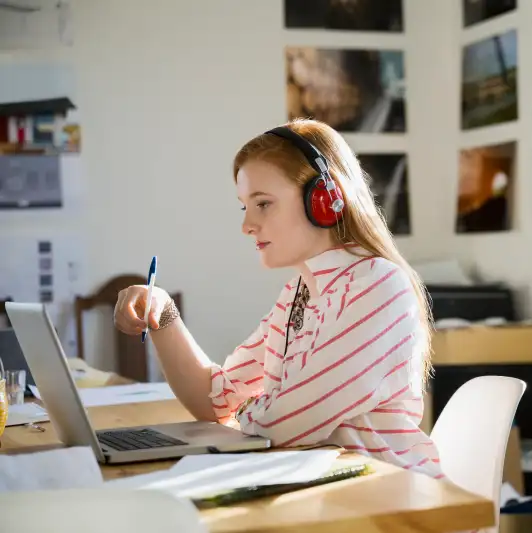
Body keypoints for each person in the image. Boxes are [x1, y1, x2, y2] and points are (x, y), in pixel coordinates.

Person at [113, 119, 444, 479]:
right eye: (245, 207)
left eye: (264, 204)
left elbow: (284, 426)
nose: (247, 225)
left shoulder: (377, 285)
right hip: (328, 493)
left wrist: (250, 413)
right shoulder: (297, 294)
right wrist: (162, 313)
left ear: (324, 199)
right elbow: (216, 401)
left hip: (392, 501)